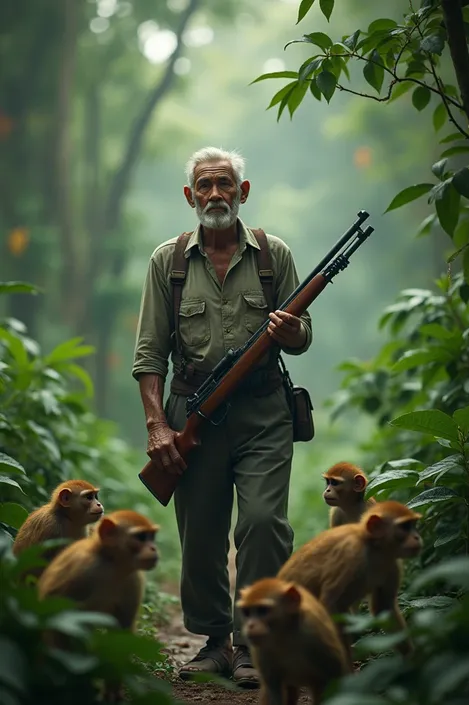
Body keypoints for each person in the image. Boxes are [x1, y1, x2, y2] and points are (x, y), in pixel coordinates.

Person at [132, 146, 312, 687]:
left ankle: (255, 642)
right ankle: (214, 642)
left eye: (226, 184)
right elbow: (148, 355)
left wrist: (292, 333)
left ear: (243, 191)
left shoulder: (272, 255)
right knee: (202, 531)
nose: (216, 194)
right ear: (190, 196)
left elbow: (303, 336)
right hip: (193, 412)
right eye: (205, 186)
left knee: (262, 523)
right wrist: (157, 425)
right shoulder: (168, 261)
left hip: (263, 410)